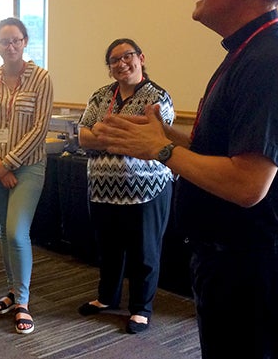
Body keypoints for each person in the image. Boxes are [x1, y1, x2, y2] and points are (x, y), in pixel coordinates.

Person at [94, 0, 278, 358]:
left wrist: (162, 150)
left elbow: (247, 184)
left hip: (252, 269)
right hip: (233, 264)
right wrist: (168, 135)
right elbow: (227, 155)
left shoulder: (270, 62)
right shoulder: (249, 52)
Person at [76, 38, 175, 334]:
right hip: (102, 189)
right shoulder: (100, 96)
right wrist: (118, 134)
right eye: (114, 60)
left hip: (146, 190)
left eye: (127, 56)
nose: (121, 64)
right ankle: (107, 298)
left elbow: (147, 143)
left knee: (144, 253)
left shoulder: (157, 97)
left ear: (141, 58)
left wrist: (103, 133)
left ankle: (141, 309)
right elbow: (83, 136)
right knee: (108, 250)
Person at [0, 17, 53, 334]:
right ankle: (12, 289)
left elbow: (39, 128)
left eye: (16, 40)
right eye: (4, 41)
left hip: (28, 165)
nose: (10, 46)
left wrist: (9, 162)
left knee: (18, 232)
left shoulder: (41, 78)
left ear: (24, 41)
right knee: (4, 231)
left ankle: (23, 301)